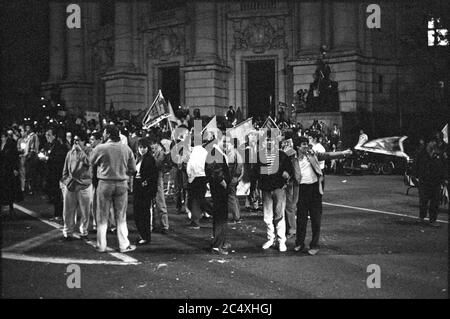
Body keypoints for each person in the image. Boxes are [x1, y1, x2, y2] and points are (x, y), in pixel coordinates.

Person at [292, 136, 351, 255]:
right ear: (298, 147)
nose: (307, 146)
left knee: (315, 219)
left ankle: (314, 245)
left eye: (307, 144)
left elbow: (328, 155)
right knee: (301, 220)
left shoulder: (312, 154)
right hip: (301, 190)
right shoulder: (292, 159)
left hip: (314, 190)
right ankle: (299, 243)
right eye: (304, 144)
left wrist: (343, 153)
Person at [90, 124, 137, 253]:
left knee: (102, 215)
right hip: (122, 184)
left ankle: (101, 245)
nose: (103, 135)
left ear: (108, 134)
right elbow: (133, 169)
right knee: (121, 215)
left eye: (104, 132)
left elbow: (91, 162)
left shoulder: (101, 148)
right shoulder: (126, 149)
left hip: (105, 183)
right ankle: (123, 245)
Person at [256, 134, 294, 252]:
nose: (269, 143)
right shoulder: (260, 155)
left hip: (278, 189)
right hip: (266, 189)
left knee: (279, 215)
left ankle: (281, 240)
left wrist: (286, 175)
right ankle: (270, 239)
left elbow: (290, 170)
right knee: (267, 217)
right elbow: (256, 172)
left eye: (271, 141)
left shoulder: (282, 155)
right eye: (267, 141)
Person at [60, 134, 93, 240]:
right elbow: (65, 169)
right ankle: (68, 232)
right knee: (68, 210)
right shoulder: (70, 153)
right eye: (74, 140)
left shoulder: (89, 152)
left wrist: (81, 152)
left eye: (78, 140)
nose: (75, 142)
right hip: (71, 185)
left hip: (84, 186)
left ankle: (84, 231)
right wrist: (66, 181)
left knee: (85, 211)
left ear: (83, 141)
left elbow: (89, 163)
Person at [205, 134, 232, 255]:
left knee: (221, 216)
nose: (226, 144)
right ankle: (217, 245)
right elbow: (214, 170)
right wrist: (223, 182)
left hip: (220, 189)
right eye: (224, 141)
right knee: (220, 217)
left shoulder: (217, 152)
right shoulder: (215, 152)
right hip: (219, 190)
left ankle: (221, 241)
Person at [413, 138, 447, 227]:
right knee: (423, 201)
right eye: (433, 142)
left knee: (435, 202)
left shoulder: (439, 154)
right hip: (424, 181)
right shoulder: (421, 154)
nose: (434, 143)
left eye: (435, 142)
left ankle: (432, 220)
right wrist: (415, 177)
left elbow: (443, 167)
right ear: (429, 143)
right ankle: (421, 218)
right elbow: (416, 166)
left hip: (436, 182)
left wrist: (444, 179)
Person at [133, 138, 158, 245]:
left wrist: (146, 182)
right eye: (140, 147)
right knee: (138, 212)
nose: (142, 150)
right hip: (138, 187)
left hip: (145, 189)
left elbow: (153, 175)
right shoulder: (138, 158)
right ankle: (142, 234)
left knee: (144, 213)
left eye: (144, 148)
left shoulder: (150, 159)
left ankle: (145, 236)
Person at [41, 128, 67, 222]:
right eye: (46, 134)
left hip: (57, 174)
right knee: (52, 193)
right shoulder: (48, 145)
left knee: (57, 195)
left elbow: (60, 160)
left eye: (49, 135)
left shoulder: (59, 146)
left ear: (54, 136)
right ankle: (57, 213)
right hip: (49, 173)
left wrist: (48, 159)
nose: (47, 137)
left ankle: (59, 214)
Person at [0, 130, 23, 218]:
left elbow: (14, 156)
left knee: (9, 189)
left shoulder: (11, 143)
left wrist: (15, 168)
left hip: (9, 169)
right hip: (2, 169)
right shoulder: (1, 143)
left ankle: (11, 208)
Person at [150, 138, 170, 234]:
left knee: (160, 203)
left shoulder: (161, 153)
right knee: (151, 204)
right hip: (150, 178)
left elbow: (158, 165)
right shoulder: (151, 151)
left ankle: (164, 226)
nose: (152, 147)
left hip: (157, 178)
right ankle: (152, 225)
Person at [226, 136, 244, 223]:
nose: (226, 145)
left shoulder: (232, 154)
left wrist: (234, 177)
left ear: (232, 145)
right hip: (234, 178)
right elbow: (240, 167)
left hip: (231, 178)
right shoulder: (236, 153)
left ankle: (236, 217)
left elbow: (233, 167)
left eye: (228, 144)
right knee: (234, 197)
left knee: (231, 197)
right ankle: (237, 215)